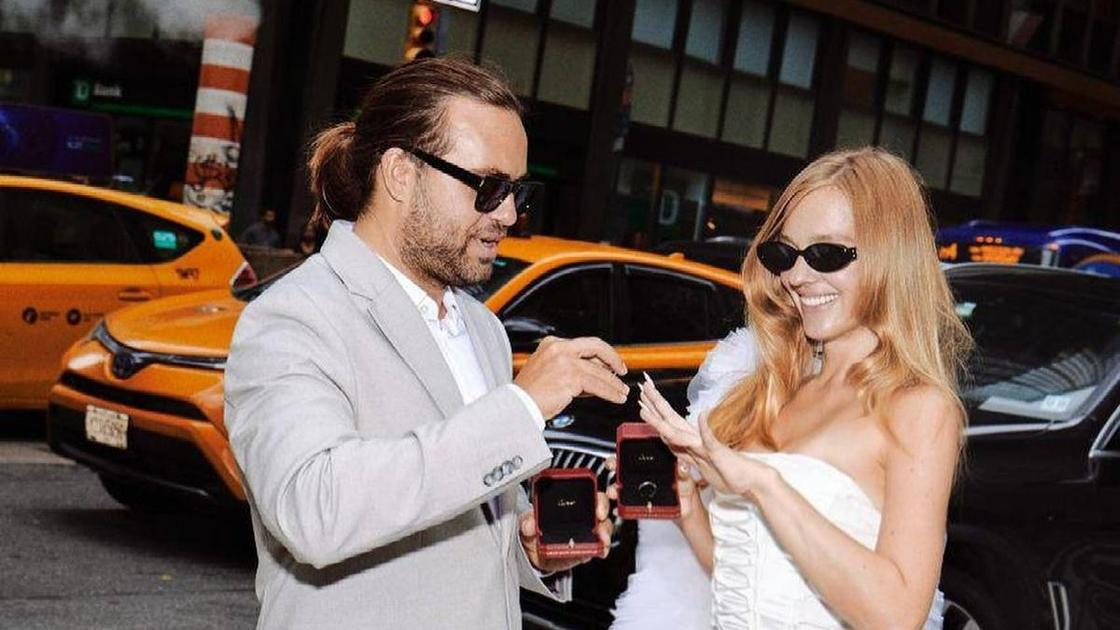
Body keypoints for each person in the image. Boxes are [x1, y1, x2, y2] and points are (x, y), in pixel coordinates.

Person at [224, 57, 628, 630]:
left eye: (517, 191)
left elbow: (467, 519)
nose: (508, 213)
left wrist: (529, 549)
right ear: (400, 174)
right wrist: (520, 406)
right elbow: (314, 510)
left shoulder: (483, 330)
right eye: (488, 186)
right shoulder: (295, 316)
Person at [616, 147, 972, 628]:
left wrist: (764, 485)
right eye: (783, 254)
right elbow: (748, 580)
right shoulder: (771, 388)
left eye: (827, 254)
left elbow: (897, 614)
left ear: (891, 257)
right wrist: (687, 508)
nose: (797, 277)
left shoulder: (917, 407)